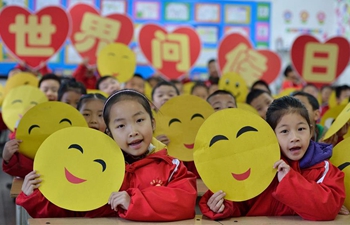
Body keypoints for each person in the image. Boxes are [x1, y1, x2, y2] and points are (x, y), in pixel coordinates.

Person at [199, 96, 345, 221]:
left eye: (301, 129)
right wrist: (222, 206)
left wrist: (289, 181)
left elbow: (328, 207)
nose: (294, 138)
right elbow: (241, 201)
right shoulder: (256, 165)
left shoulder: (323, 168)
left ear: (311, 130)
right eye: (284, 131)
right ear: (270, 135)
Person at [152, 81, 180, 145]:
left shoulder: (186, 123)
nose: (165, 98)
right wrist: (153, 145)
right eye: (160, 95)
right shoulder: (148, 125)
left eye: (171, 95)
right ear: (152, 104)